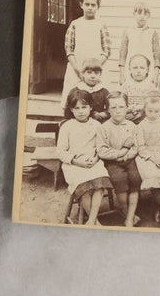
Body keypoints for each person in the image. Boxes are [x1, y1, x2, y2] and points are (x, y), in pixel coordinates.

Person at [59, 88, 112, 226]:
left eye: (84, 107)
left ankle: (91, 220)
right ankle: (97, 223)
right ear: (71, 109)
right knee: (82, 186)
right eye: (77, 108)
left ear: (91, 107)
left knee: (100, 182)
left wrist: (96, 159)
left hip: (93, 162)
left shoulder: (96, 125)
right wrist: (76, 162)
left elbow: (101, 147)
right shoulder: (67, 127)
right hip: (74, 165)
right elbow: (60, 151)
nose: (81, 111)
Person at [94, 92, 142, 228]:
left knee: (135, 178)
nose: (118, 111)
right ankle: (125, 210)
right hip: (113, 162)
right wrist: (118, 154)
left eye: (121, 107)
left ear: (127, 108)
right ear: (108, 110)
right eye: (113, 107)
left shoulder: (132, 126)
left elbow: (137, 145)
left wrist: (128, 155)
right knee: (119, 180)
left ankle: (130, 216)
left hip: (129, 160)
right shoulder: (103, 128)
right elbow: (102, 150)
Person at [134, 91, 160, 226]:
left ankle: (159, 207)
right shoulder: (141, 126)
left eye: (156, 111)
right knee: (155, 175)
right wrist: (153, 158)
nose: (153, 114)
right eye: (150, 111)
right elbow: (141, 148)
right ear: (145, 110)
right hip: (147, 157)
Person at [121, 2, 160, 82]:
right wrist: (122, 74)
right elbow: (122, 54)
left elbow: (156, 56)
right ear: (134, 14)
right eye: (139, 13)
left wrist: (156, 74)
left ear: (149, 16)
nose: (142, 16)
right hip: (131, 69)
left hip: (148, 71)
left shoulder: (153, 32)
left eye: (145, 14)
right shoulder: (128, 31)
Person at [68, 58, 112, 124]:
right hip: (78, 123)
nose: (93, 76)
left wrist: (102, 114)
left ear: (100, 74)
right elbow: (68, 111)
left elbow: (110, 108)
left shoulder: (104, 91)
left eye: (96, 73)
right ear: (82, 73)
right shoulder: (75, 91)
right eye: (89, 72)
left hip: (98, 122)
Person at [121, 55, 160, 120]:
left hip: (146, 117)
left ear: (147, 70)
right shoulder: (125, 86)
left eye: (142, 68)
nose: (138, 71)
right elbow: (121, 102)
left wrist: (142, 113)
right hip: (129, 117)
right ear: (129, 69)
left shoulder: (151, 87)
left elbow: (155, 104)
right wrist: (128, 112)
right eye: (135, 68)